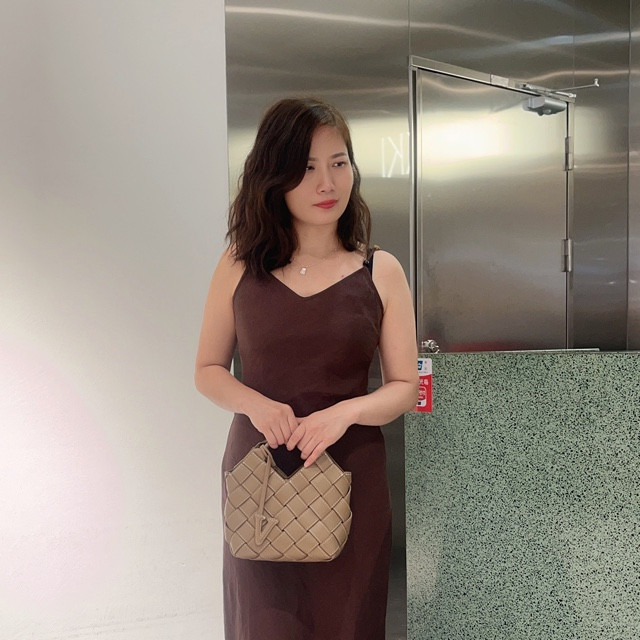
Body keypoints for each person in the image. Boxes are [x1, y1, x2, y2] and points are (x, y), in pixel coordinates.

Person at [194, 97, 418, 640]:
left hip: (352, 474)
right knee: (264, 625)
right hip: (259, 478)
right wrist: (257, 405)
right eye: (307, 167)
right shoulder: (240, 264)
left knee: (348, 623)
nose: (326, 183)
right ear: (275, 176)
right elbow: (207, 369)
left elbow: (405, 386)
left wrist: (345, 413)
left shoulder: (380, 270)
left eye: (339, 163)